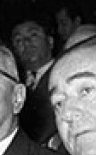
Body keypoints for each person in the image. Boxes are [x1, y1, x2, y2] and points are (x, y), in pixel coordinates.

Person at [9, 13, 60, 145]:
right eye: (18, 40)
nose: (26, 42)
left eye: (33, 35)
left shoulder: (62, 74)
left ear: (50, 41)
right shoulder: (12, 81)